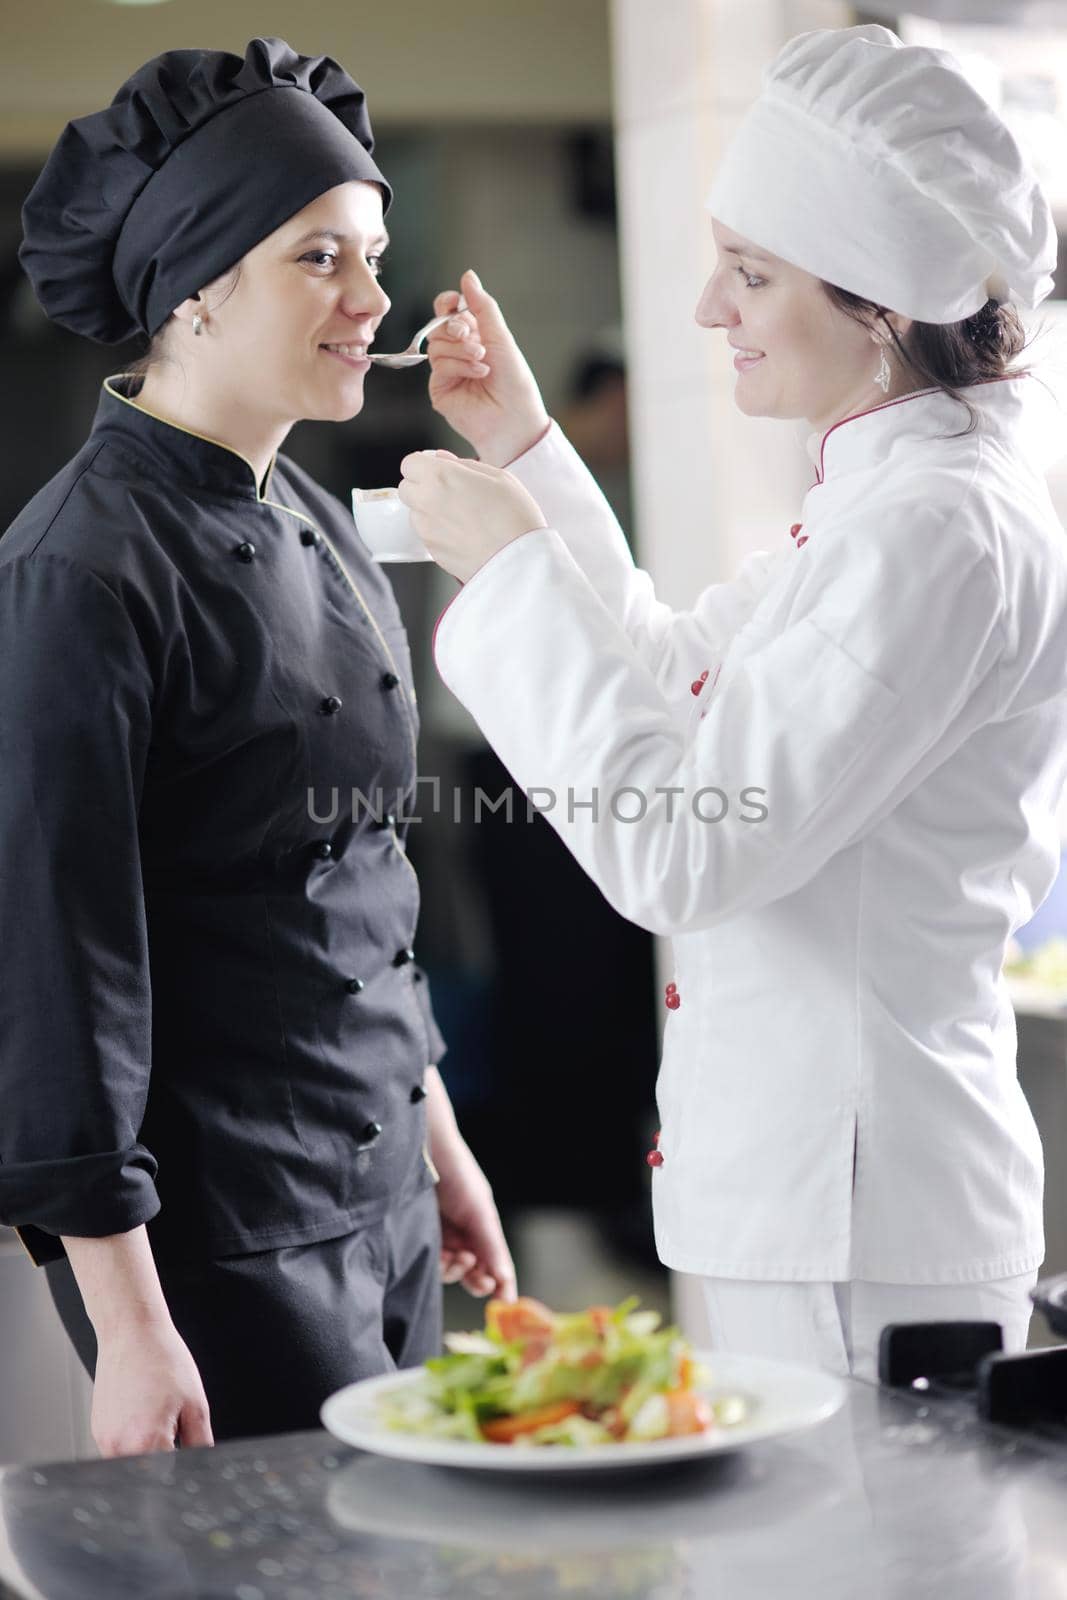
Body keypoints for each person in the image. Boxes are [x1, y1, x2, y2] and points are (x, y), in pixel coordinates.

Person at [398, 24, 1067, 1381]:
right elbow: (665, 671)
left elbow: (686, 841)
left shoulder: (935, 532)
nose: (709, 308)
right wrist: (528, 450)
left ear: (881, 297)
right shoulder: (886, 505)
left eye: (751, 273)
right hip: (820, 1207)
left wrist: (513, 569)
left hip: (862, 1224)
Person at [0, 36, 514, 1458]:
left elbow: (359, 883)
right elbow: (60, 969)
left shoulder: (325, 523)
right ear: (199, 284)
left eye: (376, 256)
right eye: (321, 260)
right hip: (219, 1251)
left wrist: (437, 1139)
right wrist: (132, 1324)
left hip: (387, 1204)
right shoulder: (77, 575)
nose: (373, 300)